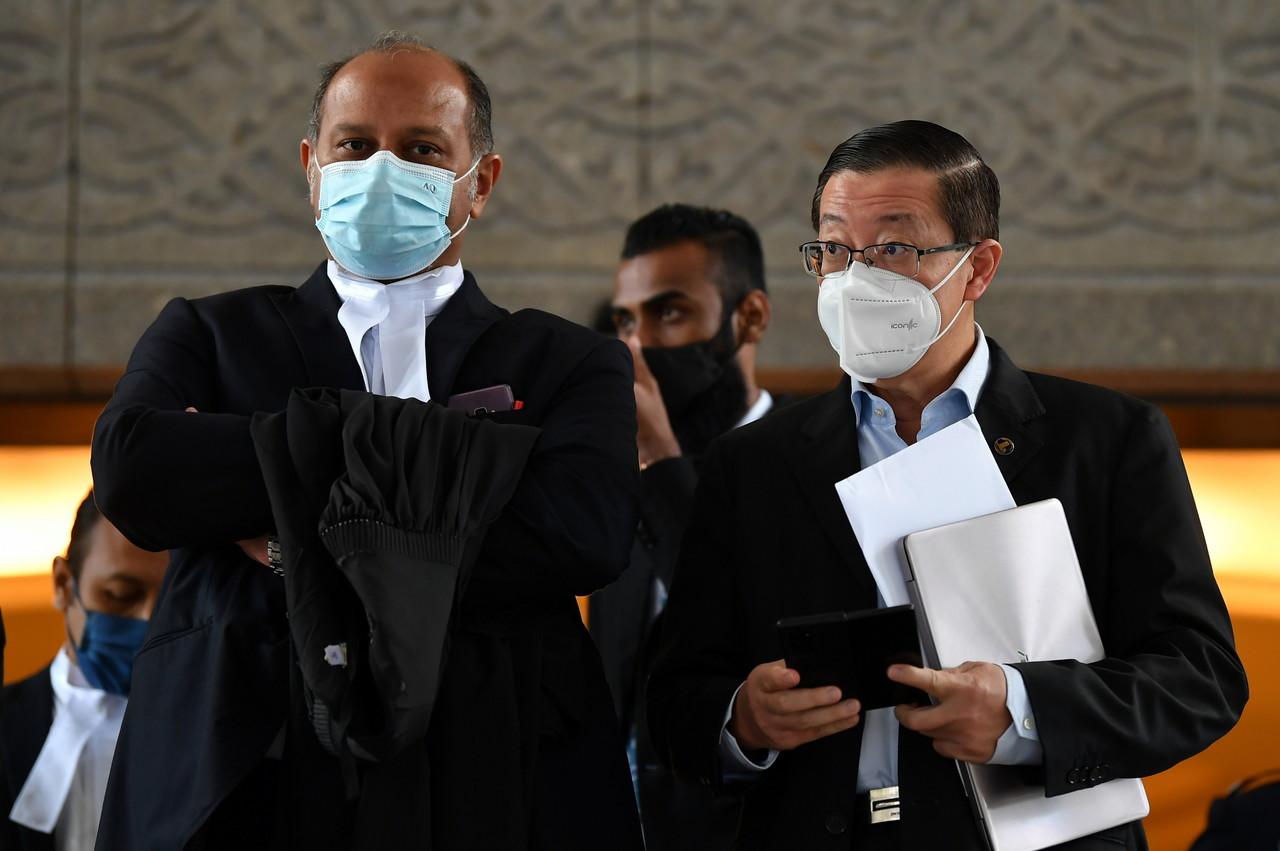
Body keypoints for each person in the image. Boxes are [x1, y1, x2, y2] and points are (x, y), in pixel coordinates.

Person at [90, 32, 642, 850]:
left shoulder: (570, 359)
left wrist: (279, 508)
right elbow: (135, 474)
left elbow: (584, 531)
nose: (382, 168)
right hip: (244, 761)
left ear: (479, 182)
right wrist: (459, 471)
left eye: (421, 148)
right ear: (313, 166)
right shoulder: (209, 333)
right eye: (356, 145)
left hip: (498, 764)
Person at [646, 120, 1248, 850]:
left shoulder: (1108, 439)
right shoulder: (753, 463)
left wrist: (1023, 710)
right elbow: (675, 697)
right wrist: (743, 719)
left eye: (895, 247)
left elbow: (1200, 679)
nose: (855, 278)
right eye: (834, 248)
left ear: (980, 267)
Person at [588, 204, 773, 849]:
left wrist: (660, 462)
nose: (637, 348)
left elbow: (748, 631)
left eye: (669, 313)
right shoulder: (619, 481)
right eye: (624, 322)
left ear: (749, 317)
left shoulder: (814, 469)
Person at [1, 493, 168, 851]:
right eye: (121, 595)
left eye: (172, 604)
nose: (150, 622)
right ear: (63, 584)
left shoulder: (222, 728)